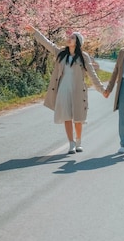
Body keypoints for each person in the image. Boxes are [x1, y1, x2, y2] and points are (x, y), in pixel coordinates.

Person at [26, 25, 105, 154]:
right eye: (69, 37)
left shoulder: (83, 57)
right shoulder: (61, 53)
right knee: (67, 117)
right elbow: (47, 43)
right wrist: (35, 32)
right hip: (63, 89)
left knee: (78, 118)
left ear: (77, 42)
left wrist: (102, 89)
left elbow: (92, 75)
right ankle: (71, 143)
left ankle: (78, 140)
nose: (69, 39)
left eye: (72, 38)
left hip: (78, 91)